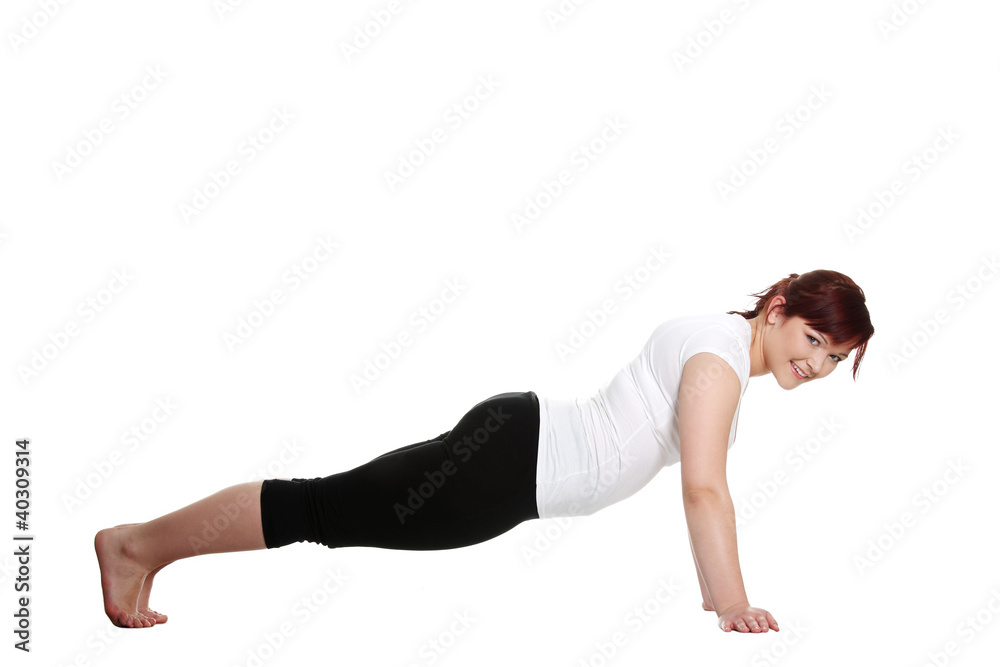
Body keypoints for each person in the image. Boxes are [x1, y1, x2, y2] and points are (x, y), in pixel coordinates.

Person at [95, 269, 874, 633]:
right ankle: (133, 545)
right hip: (504, 466)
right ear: (777, 309)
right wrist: (734, 603)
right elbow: (704, 488)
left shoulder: (721, 348)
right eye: (813, 339)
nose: (816, 364)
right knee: (317, 506)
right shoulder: (720, 357)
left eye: (834, 357)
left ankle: (144, 549)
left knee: (322, 506)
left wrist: (715, 592)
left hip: (510, 459)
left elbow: (693, 478)